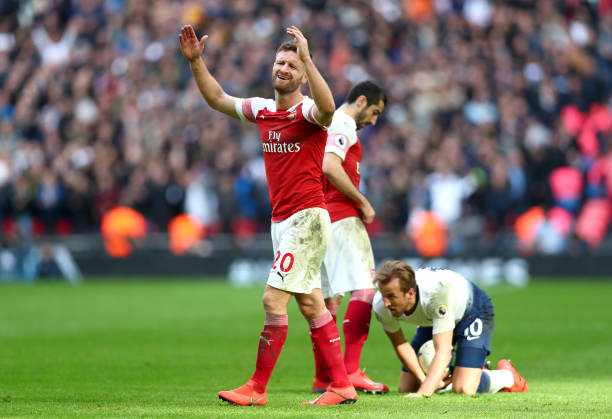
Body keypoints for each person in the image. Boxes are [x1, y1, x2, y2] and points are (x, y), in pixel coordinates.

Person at [179, 25, 357, 406]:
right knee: (311, 303)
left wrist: (309, 58)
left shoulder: (306, 111)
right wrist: (196, 63)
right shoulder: (262, 109)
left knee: (272, 301)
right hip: (282, 222)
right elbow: (217, 98)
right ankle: (342, 385)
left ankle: (257, 388)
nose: (284, 69)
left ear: (303, 75)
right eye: (280, 62)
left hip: (307, 219)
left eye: (293, 65)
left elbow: (327, 108)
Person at [311, 81, 388, 394]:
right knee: (365, 290)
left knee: (328, 300)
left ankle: (325, 377)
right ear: (361, 101)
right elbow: (330, 166)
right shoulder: (343, 122)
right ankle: (351, 371)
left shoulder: (326, 123)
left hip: (320, 218)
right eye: (374, 112)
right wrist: (362, 200)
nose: (374, 121)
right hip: (342, 216)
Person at [372, 260, 528, 396]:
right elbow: (400, 344)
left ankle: (506, 376)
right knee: (406, 387)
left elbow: (444, 351)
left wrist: (424, 392)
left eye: (391, 296)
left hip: (472, 312)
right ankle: (462, 371)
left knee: (463, 389)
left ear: (410, 293)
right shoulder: (381, 304)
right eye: (383, 295)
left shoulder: (436, 293)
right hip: (434, 318)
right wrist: (423, 380)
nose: (386, 303)